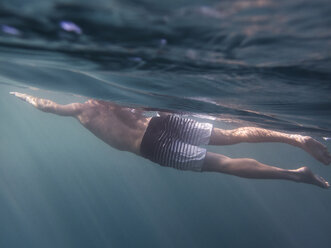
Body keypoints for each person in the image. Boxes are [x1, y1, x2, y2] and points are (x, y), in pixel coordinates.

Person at [10, 92, 331, 188]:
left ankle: (295, 175)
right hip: (158, 121)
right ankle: (293, 137)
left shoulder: (80, 110)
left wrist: (27, 97)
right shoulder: (109, 99)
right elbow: (147, 104)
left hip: (151, 146)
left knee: (228, 165)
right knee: (233, 136)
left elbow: (49, 107)